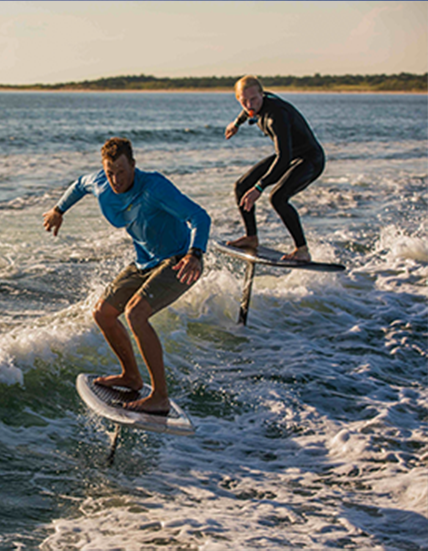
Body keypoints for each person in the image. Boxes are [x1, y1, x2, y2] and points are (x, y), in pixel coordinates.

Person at [42, 137, 210, 415]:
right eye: (110, 172)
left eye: (121, 170)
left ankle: (160, 397)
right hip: (145, 260)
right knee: (103, 312)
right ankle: (131, 376)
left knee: (135, 313)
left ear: (133, 165)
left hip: (181, 259)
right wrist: (58, 210)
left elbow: (199, 217)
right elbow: (78, 184)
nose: (116, 179)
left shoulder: (155, 187)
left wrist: (195, 253)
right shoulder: (101, 184)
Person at [224, 75, 326, 262]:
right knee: (241, 185)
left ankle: (302, 249)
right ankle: (251, 238)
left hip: (310, 159)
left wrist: (260, 187)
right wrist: (235, 124)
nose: (249, 105)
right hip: (291, 154)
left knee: (278, 197)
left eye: (253, 99)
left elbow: (283, 158)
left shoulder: (275, 116)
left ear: (262, 94)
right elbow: (248, 111)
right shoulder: (253, 104)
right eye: (243, 101)